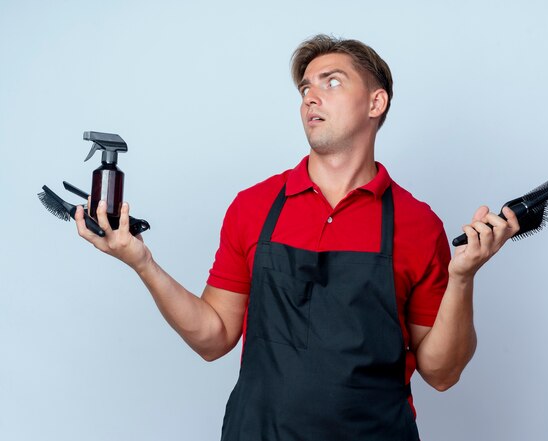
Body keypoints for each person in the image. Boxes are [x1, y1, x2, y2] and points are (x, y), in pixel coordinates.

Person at [76, 34, 520, 441]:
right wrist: (142, 263)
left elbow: (441, 373)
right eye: (306, 88)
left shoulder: (416, 223)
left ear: (375, 102)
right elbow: (213, 338)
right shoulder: (254, 207)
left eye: (331, 82)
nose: (311, 96)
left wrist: (463, 279)